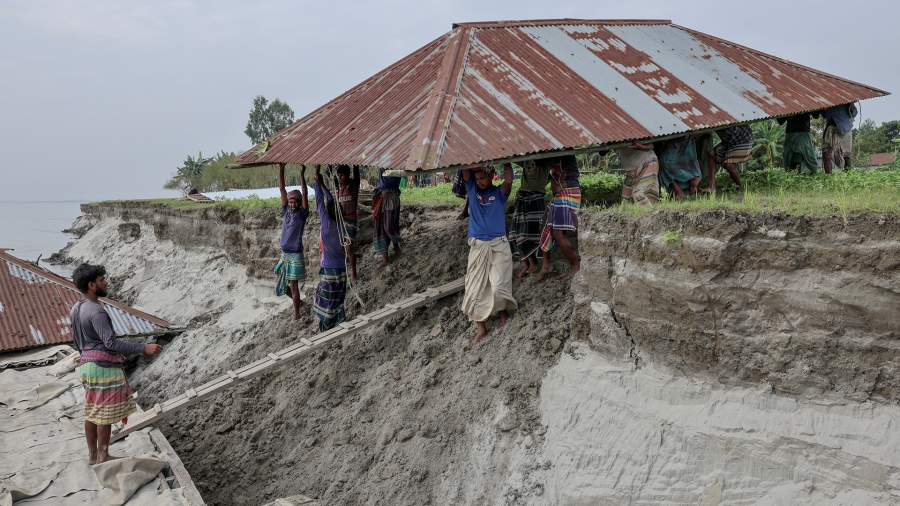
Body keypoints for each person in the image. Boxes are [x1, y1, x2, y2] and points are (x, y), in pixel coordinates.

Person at [70, 263, 161, 464]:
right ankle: (103, 455)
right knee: (104, 414)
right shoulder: (97, 311)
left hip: (87, 365)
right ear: (92, 285)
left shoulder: (77, 308)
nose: (106, 282)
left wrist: (86, 355)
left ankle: (93, 456)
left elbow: (76, 340)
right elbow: (110, 342)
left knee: (92, 410)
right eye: (102, 280)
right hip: (103, 368)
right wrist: (143, 348)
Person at [460, 164, 518, 342]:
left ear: (492, 175)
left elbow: (508, 180)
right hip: (478, 245)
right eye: (477, 179)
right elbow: (465, 167)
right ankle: (481, 328)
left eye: (483, 178)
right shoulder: (472, 190)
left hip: (499, 244)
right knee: (474, 288)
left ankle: (502, 312)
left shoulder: (499, 193)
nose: (480, 182)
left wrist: (505, 160)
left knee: (499, 284)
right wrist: (480, 162)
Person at [313, 166, 348, 331]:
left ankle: (326, 327)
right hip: (342, 269)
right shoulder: (341, 224)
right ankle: (338, 323)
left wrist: (316, 182)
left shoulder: (326, 224)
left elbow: (320, 200)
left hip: (329, 269)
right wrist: (323, 186)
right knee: (338, 299)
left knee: (326, 300)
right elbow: (330, 201)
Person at [537, 156, 581, 280]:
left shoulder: (564, 148)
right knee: (544, 226)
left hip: (568, 191)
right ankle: (546, 265)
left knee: (558, 233)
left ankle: (576, 265)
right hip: (560, 193)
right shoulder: (549, 152)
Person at [275, 163, 309, 320]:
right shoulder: (286, 211)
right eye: (290, 202)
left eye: (295, 202)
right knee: (282, 284)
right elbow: (282, 189)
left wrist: (302, 174)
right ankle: (299, 303)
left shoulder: (302, 214)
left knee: (293, 285)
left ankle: (297, 313)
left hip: (295, 255)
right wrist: (281, 169)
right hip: (284, 254)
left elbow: (305, 193)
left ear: (299, 202)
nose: (292, 204)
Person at [509, 159, 549, 278]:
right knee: (514, 235)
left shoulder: (547, 162)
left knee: (530, 235)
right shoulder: (526, 159)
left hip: (536, 200)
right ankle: (528, 263)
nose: (530, 167)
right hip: (522, 200)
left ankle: (533, 263)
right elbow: (512, 158)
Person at [706, 124, 754, 192]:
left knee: (728, 164)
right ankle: (712, 187)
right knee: (712, 154)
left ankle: (741, 186)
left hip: (743, 139)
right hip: (729, 142)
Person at [372, 168, 402, 265]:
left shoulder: (398, 162)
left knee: (389, 226)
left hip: (392, 197)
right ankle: (385, 258)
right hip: (382, 196)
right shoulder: (381, 162)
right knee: (380, 228)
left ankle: (397, 245)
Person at [336, 165, 360, 280]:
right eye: (339, 175)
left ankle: (354, 272)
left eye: (342, 175)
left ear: (348, 175)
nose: (340, 177)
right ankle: (344, 270)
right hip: (341, 222)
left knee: (349, 248)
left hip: (351, 221)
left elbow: (357, 175)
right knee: (341, 248)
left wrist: (355, 164)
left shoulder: (352, 187)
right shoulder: (338, 188)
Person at [821, 103, 857, 173]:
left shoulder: (847, 99)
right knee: (827, 153)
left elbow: (854, 112)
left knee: (846, 154)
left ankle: (848, 176)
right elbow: (823, 115)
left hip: (845, 128)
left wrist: (850, 104)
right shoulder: (824, 100)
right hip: (832, 128)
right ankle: (829, 177)